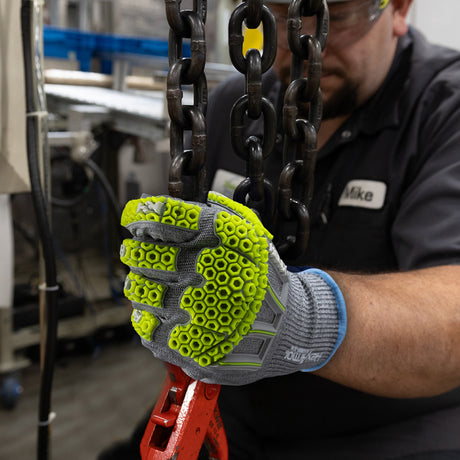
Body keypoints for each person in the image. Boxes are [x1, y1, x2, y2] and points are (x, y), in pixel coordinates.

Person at [102, 0, 460, 458]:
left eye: (338, 16)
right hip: (235, 414)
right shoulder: (233, 107)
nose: (307, 44)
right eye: (280, 15)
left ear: (399, 9)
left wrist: (302, 320)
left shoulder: (445, 109)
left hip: (390, 431)